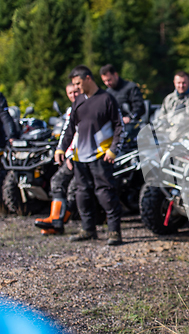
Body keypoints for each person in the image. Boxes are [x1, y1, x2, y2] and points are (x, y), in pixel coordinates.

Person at [55, 65, 125, 246]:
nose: (76, 87)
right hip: (80, 157)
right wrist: (61, 148)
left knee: (105, 194)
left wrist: (114, 149)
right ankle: (88, 229)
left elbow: (120, 127)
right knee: (82, 194)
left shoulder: (107, 99)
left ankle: (114, 232)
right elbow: (69, 128)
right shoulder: (78, 101)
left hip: (101, 155)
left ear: (88, 78)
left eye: (78, 83)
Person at [34, 83, 80, 235]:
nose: (73, 95)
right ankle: (57, 221)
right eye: (70, 93)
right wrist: (61, 150)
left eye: (76, 91)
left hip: (83, 155)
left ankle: (58, 221)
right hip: (73, 155)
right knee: (61, 183)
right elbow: (67, 132)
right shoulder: (70, 109)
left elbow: (81, 134)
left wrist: (71, 154)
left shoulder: (85, 107)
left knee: (71, 187)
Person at [156, 71, 189, 142]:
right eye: (178, 83)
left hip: (185, 142)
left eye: (184, 83)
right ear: (174, 82)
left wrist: (188, 138)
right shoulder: (169, 99)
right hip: (168, 141)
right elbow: (161, 119)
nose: (181, 86)